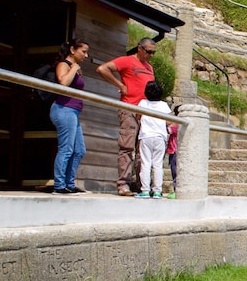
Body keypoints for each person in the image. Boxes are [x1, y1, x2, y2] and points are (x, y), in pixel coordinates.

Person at [96, 38, 156, 196]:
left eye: (153, 52)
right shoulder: (127, 61)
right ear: (140, 48)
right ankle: (123, 184)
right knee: (127, 147)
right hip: (129, 108)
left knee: (142, 150)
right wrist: (120, 85)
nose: (151, 55)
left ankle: (141, 185)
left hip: (145, 113)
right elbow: (102, 69)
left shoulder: (149, 67)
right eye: (149, 51)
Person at [49, 38, 89, 195]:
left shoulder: (74, 67)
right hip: (63, 109)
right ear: (73, 50)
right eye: (83, 51)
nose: (86, 55)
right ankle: (59, 185)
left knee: (79, 150)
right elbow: (63, 82)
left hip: (74, 112)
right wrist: (73, 69)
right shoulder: (64, 65)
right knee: (66, 149)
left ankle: (69, 183)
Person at [135, 81, 170, 199]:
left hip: (146, 136)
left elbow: (138, 116)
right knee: (158, 164)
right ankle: (157, 191)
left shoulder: (143, 103)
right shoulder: (164, 105)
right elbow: (169, 121)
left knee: (145, 163)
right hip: (160, 137)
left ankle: (145, 190)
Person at [166, 107, 179, 198]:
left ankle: (176, 190)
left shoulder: (176, 126)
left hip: (174, 151)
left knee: (175, 172)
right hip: (176, 151)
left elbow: (168, 130)